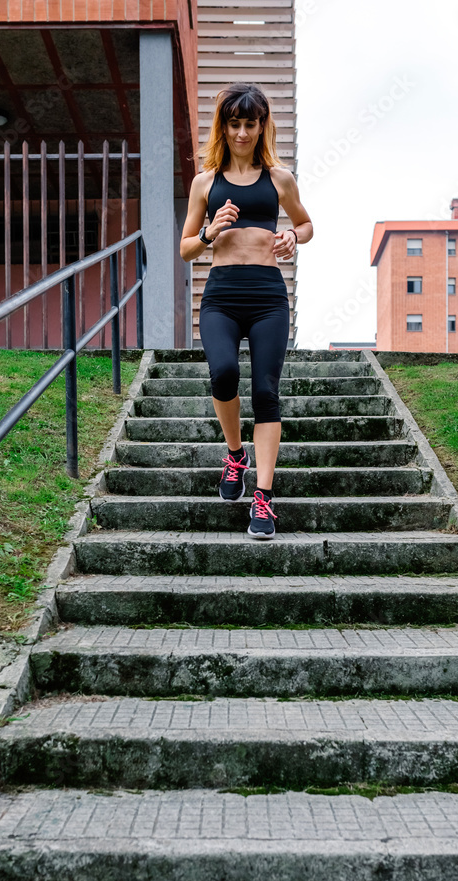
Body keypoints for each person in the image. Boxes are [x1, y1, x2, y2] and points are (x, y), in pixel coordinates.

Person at [180, 82, 313, 539]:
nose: (241, 133)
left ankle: (263, 499)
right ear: (224, 126)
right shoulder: (205, 182)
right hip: (221, 295)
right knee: (222, 375)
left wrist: (294, 237)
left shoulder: (279, 178)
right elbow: (184, 249)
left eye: (249, 124)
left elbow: (306, 222)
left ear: (261, 126)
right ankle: (235, 455)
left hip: (268, 296)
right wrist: (211, 231)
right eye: (234, 124)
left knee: (266, 392)